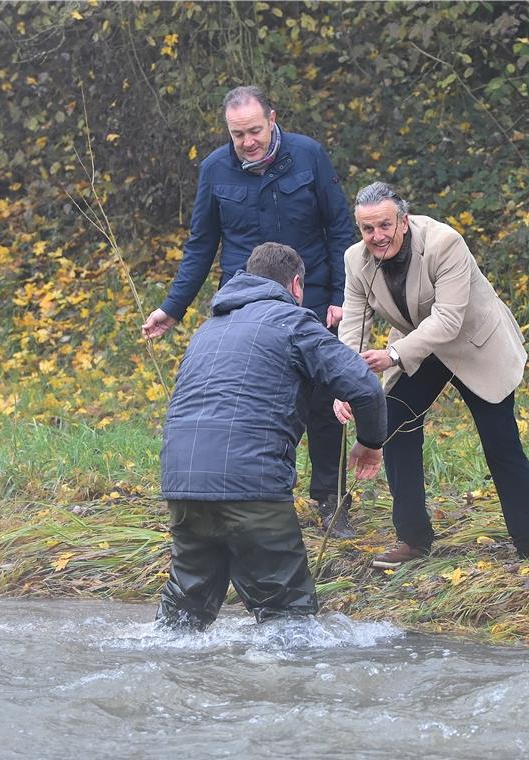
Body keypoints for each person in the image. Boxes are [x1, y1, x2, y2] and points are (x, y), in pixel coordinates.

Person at [143, 85, 360, 538]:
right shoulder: (214, 170)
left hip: (313, 298)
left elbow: (340, 229)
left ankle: (331, 501)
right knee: (255, 404)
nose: (248, 142)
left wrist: (342, 295)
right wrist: (173, 308)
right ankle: (252, 500)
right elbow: (201, 245)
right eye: (238, 134)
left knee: (324, 404)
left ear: (273, 118)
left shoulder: (309, 156)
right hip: (244, 305)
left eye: (255, 131)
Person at [155, 242, 386, 631]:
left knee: (185, 614)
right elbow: (364, 386)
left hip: (182, 484)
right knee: (288, 617)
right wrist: (370, 444)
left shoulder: (206, 330)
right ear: (296, 286)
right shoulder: (293, 322)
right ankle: (286, 690)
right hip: (251, 487)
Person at [334, 182, 529, 569]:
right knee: (395, 426)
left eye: (384, 225)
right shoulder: (356, 260)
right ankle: (413, 540)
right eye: (368, 229)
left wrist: (392, 355)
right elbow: (353, 325)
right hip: (420, 347)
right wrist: (346, 384)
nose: (377, 236)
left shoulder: (444, 242)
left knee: (500, 443)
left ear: (403, 221)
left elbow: (449, 320)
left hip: (474, 343)